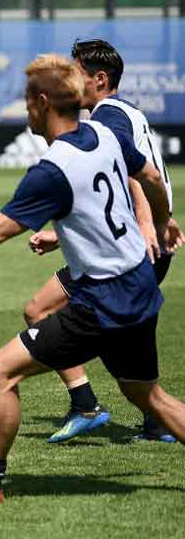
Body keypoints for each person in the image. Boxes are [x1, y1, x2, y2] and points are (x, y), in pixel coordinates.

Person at [0, 54, 185, 504]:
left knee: (0, 371)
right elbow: (149, 176)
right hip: (138, 284)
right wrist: (162, 222)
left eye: (27, 100)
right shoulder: (104, 133)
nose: (25, 109)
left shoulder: (52, 171)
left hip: (103, 300)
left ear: (42, 102)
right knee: (149, 396)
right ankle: (80, 408)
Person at [24, 39, 184, 443]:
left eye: (76, 71)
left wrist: (149, 224)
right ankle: (155, 421)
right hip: (142, 247)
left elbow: (129, 178)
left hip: (134, 252)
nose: (69, 79)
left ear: (99, 79)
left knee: (38, 310)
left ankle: (86, 404)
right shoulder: (126, 112)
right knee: (128, 353)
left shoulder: (106, 118)